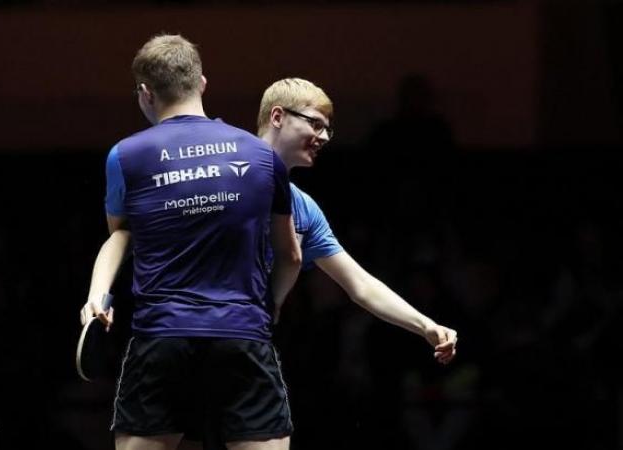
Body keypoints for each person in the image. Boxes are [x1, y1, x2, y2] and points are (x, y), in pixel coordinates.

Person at [85, 77, 458, 449]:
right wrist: (99, 295)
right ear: (277, 116)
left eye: (328, 128)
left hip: (241, 347)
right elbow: (125, 236)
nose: (325, 136)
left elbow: (358, 284)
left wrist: (425, 325)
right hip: (174, 343)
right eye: (315, 123)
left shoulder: (302, 208)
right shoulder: (209, 175)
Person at [80, 35, 302, 450]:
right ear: (202, 83)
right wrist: (267, 309)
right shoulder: (262, 156)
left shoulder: (125, 156)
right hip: (244, 336)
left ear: (145, 94)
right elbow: (290, 255)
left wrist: (97, 296)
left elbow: (121, 232)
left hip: (161, 341)